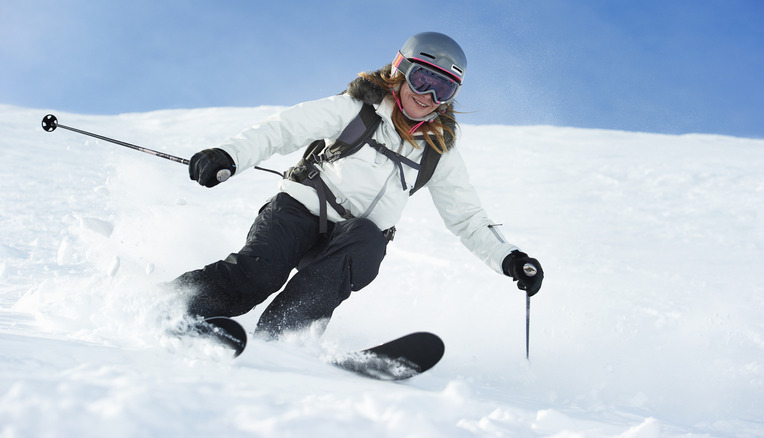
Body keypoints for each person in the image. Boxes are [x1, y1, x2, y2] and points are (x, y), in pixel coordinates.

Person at [171, 32, 544, 339]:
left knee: (367, 240)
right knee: (257, 275)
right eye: (423, 80)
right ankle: (174, 306)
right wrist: (229, 155)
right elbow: (283, 129)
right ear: (401, 71)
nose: (428, 96)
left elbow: (468, 219)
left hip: (351, 241)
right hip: (298, 212)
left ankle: (283, 336)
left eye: (443, 90)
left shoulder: (438, 151)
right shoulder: (356, 109)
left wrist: (511, 259)